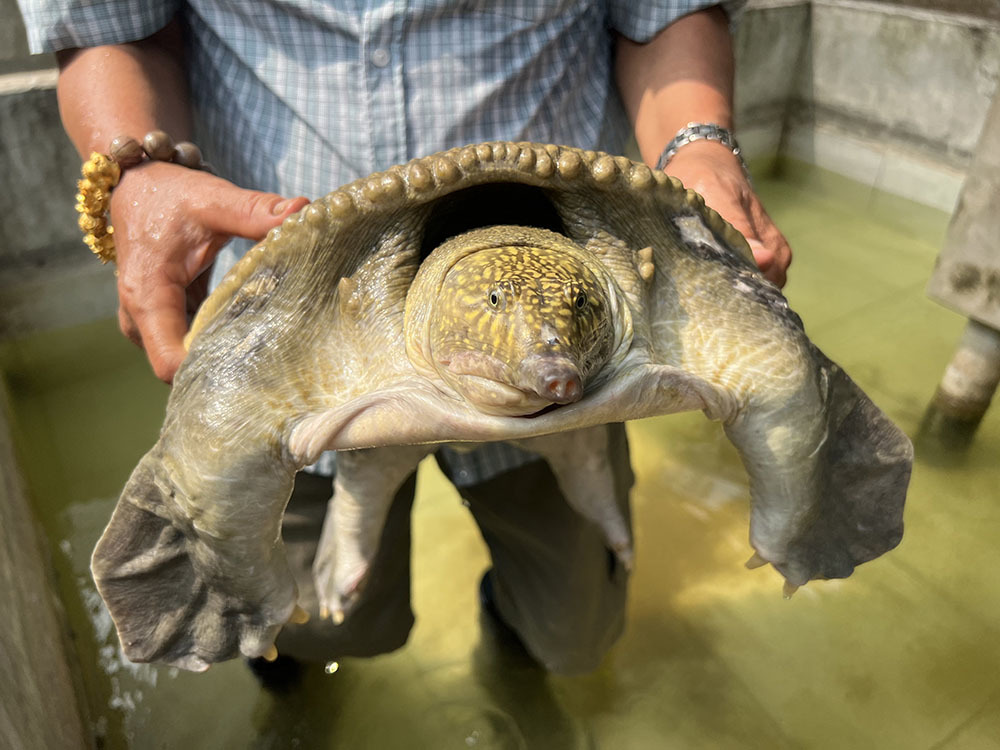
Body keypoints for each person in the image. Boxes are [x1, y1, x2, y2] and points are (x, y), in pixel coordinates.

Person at [19, 0, 792, 677]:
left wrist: (696, 146)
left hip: (565, 305)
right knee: (309, 622)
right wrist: (134, 166)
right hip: (311, 329)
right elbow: (110, 25)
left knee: (577, 632)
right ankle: (291, 667)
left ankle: (512, 637)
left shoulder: (560, 338)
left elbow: (664, 10)